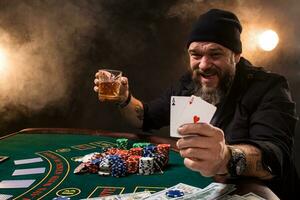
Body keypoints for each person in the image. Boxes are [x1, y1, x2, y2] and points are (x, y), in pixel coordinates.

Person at [94, 8, 299, 199]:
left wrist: (226, 157)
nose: (204, 65)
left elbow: (275, 155)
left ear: (236, 56)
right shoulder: (187, 85)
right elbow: (145, 117)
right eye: (196, 55)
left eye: (215, 54)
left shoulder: (269, 87)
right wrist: (124, 99)